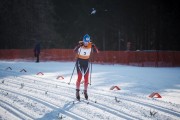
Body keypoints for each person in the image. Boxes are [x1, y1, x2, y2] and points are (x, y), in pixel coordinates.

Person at [74, 34, 99, 100]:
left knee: (86, 78)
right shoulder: (80, 44)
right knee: (80, 76)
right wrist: (79, 46)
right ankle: (77, 91)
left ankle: (85, 91)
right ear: (83, 40)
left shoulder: (90, 45)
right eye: (85, 42)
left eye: (87, 42)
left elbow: (97, 52)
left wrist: (94, 46)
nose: (86, 43)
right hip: (79, 61)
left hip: (86, 62)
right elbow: (74, 50)